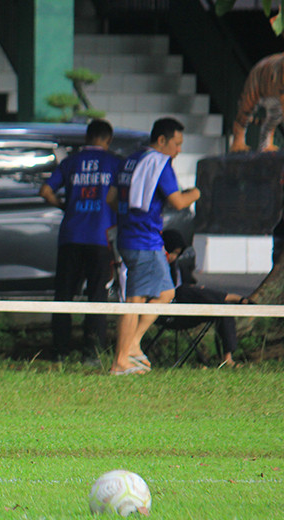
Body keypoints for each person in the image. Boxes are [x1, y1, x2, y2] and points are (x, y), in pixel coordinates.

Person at [107, 117, 201, 375]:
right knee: (135, 301)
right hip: (144, 241)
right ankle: (121, 360)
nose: (178, 150)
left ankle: (132, 346)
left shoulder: (128, 160)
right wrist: (196, 193)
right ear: (162, 140)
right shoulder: (160, 164)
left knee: (165, 293)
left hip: (128, 237)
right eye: (177, 144)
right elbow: (178, 202)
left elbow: (111, 199)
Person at [40, 119, 122, 364]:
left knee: (64, 295)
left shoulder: (70, 162)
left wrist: (65, 206)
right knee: (97, 296)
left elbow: (45, 190)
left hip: (71, 236)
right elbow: (113, 197)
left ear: (87, 138)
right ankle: (92, 353)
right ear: (108, 140)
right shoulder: (115, 163)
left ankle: (60, 351)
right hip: (100, 238)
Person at [162, 229, 248, 368]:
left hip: (188, 309)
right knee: (183, 290)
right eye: (173, 252)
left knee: (223, 308)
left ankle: (227, 359)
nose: (174, 257)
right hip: (167, 312)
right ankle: (233, 297)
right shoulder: (157, 266)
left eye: (178, 253)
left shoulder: (179, 267)